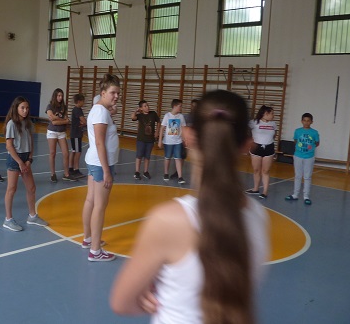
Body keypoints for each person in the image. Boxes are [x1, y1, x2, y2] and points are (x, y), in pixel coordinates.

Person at [110, 90, 269, 324]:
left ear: (189, 136)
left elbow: (122, 303)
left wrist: (150, 297)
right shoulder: (259, 216)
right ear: (247, 144)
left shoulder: (168, 221)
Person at [82, 74, 121, 262]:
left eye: (118, 93)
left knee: (91, 200)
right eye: (113, 93)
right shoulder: (100, 112)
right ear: (103, 93)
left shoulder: (100, 110)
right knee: (99, 206)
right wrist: (106, 171)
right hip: (100, 164)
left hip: (95, 162)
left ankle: (88, 239)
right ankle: (95, 251)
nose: (116, 96)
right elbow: (99, 142)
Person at [2, 96, 48, 232]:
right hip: (15, 158)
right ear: (16, 108)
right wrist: (20, 162)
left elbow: (31, 142)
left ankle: (32, 216)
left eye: (27, 108)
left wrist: (29, 159)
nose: (25, 110)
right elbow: (9, 146)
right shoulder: (11, 124)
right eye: (22, 108)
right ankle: (8, 219)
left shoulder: (28, 124)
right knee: (11, 189)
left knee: (31, 188)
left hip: (26, 158)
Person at [285, 113, 320, 205]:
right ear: (301, 121)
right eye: (304, 120)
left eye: (308, 121)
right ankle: (295, 194)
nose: (306, 122)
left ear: (311, 122)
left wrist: (309, 149)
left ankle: (306, 196)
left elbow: (317, 143)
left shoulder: (314, 132)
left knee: (307, 177)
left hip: (309, 157)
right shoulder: (297, 131)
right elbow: (295, 141)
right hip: (298, 156)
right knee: (298, 175)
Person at [246, 105, 276, 199]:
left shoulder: (273, 124)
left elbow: (274, 135)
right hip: (256, 148)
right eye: (271, 113)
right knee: (256, 170)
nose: (273, 115)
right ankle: (255, 189)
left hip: (269, 148)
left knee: (265, 171)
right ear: (265, 113)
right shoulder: (254, 122)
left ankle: (265, 192)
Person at [46, 88, 74, 182]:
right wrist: (63, 120)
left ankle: (66, 174)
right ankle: (52, 174)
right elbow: (52, 120)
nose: (60, 97)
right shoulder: (50, 106)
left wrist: (59, 120)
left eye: (61, 96)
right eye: (58, 95)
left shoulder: (64, 107)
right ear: (55, 96)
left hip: (62, 132)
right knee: (52, 153)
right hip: (52, 132)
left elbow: (66, 120)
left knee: (66, 153)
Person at [158, 99, 186, 185]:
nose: (181, 108)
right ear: (174, 106)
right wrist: (160, 140)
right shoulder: (167, 116)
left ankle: (180, 177)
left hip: (178, 141)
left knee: (178, 158)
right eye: (180, 106)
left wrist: (184, 139)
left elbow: (183, 128)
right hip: (168, 141)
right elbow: (162, 128)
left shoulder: (181, 116)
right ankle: (166, 173)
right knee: (168, 157)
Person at [170, 99, 198, 180]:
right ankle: (178, 173)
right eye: (192, 106)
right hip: (186, 141)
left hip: (196, 141)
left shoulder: (201, 119)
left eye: (196, 106)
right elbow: (174, 128)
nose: (194, 107)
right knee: (181, 156)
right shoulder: (185, 117)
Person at [131, 100, 160, 180]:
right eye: (145, 106)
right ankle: (137, 172)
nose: (147, 107)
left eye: (147, 105)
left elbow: (158, 122)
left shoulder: (153, 114)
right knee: (139, 155)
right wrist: (136, 111)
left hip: (150, 140)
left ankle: (146, 171)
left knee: (147, 156)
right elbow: (133, 117)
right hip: (141, 139)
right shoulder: (140, 115)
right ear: (141, 108)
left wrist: (157, 131)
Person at [68, 93, 87, 178]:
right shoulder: (77, 110)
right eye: (83, 101)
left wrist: (83, 123)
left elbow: (82, 122)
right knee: (77, 152)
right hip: (76, 134)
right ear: (79, 101)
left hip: (75, 133)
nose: (84, 103)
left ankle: (71, 168)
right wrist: (84, 123)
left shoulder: (76, 109)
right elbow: (84, 121)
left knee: (74, 151)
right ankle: (76, 169)